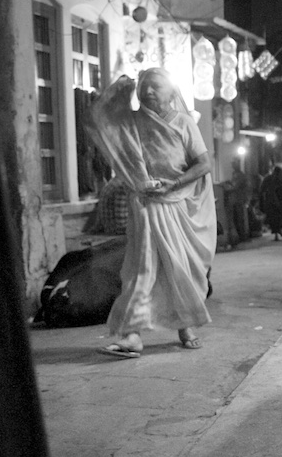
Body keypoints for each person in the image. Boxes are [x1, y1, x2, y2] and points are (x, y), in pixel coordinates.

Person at [89, 67, 215, 358]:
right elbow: (101, 117)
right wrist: (122, 87)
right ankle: (132, 335)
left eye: (156, 86)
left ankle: (185, 325)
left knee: (179, 270)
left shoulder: (184, 122)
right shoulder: (131, 122)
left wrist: (175, 184)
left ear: (171, 92)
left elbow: (203, 164)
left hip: (177, 206)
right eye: (144, 86)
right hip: (145, 205)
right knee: (140, 270)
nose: (148, 91)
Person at [259, 165, 282, 240]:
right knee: (277, 218)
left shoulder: (270, 178)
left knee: (275, 218)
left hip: (273, 202)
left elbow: (262, 189)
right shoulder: (280, 179)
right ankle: (277, 231)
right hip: (276, 202)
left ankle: (277, 231)